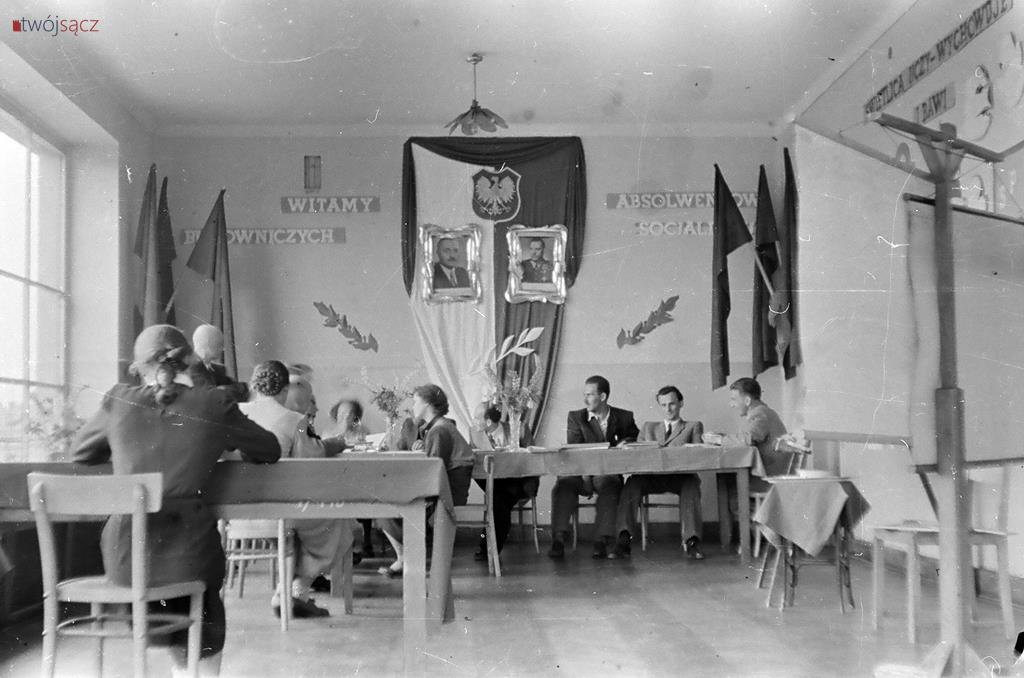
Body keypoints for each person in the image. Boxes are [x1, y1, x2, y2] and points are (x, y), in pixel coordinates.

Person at [72, 325, 281, 676]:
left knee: (171, 603)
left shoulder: (119, 400)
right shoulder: (214, 403)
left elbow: (81, 452)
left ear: (138, 368)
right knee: (201, 610)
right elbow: (269, 448)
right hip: (189, 557)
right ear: (190, 359)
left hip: (128, 560)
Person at [239, 361, 351, 618]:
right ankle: (296, 590)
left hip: (238, 514)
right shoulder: (293, 419)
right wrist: (335, 445)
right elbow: (311, 459)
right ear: (284, 390)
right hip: (279, 511)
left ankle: (289, 593)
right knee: (339, 520)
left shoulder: (236, 410)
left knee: (303, 526)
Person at [377, 384, 474, 577]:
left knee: (383, 505)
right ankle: (405, 557)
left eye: (415, 402)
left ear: (427, 404)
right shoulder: (441, 426)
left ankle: (405, 558)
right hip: (447, 489)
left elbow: (432, 471)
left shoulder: (439, 431)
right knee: (388, 502)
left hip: (446, 493)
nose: (413, 406)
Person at [549, 375, 639, 559]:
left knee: (611, 486)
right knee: (563, 485)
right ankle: (558, 540)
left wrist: (626, 442)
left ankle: (601, 541)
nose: (585, 399)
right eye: (585, 395)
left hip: (606, 473)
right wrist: (586, 478)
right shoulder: (576, 417)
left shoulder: (624, 417)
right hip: (579, 474)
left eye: (590, 395)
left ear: (603, 396)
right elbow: (575, 451)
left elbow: (636, 438)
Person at [612, 386, 705, 560]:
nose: (668, 409)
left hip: (680, 477)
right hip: (651, 477)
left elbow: (697, 455)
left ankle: (692, 542)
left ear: (681, 403)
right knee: (631, 483)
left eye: (672, 404)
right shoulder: (649, 427)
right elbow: (636, 456)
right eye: (663, 405)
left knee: (692, 484)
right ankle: (623, 540)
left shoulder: (693, 426)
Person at [471, 403, 540, 561]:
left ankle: (487, 548)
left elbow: (534, 459)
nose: (473, 421)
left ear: (488, 421)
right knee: (499, 498)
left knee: (498, 500)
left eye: (476, 418)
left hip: (518, 480)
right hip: (493, 481)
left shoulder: (520, 429)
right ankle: (489, 549)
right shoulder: (474, 433)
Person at [187, 324, 248, 402]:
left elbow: (242, 388)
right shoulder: (190, 369)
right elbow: (212, 398)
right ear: (208, 344)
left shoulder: (219, 369)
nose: (223, 349)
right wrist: (222, 390)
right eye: (219, 344)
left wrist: (221, 390)